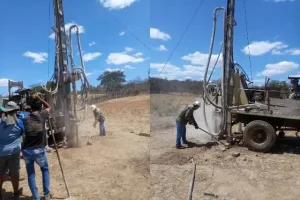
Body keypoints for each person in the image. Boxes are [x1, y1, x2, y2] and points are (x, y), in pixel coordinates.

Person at [22, 94, 53, 200]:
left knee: (31, 175)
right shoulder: (42, 114)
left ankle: (36, 198)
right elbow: (49, 106)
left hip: (26, 151)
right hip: (38, 150)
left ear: (31, 108)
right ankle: (46, 194)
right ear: (40, 107)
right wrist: (40, 98)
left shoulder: (25, 119)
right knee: (44, 170)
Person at [0, 101, 24, 199]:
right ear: (15, 111)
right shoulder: (19, 123)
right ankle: (16, 192)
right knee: (14, 173)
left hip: (1, 153)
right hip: (14, 152)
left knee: (0, 174)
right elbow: (21, 133)